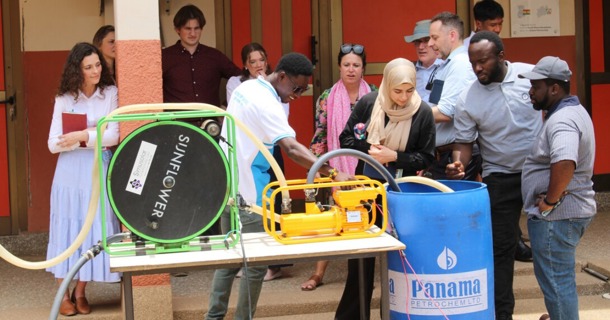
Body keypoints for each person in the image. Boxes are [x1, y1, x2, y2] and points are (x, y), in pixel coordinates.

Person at [206, 52, 353, 320]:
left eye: (304, 89)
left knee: (228, 260)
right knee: (255, 266)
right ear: (282, 76)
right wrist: (331, 172)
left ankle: (213, 317)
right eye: (296, 88)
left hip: (227, 184)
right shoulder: (267, 103)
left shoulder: (247, 86)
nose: (297, 94)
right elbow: (293, 149)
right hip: (250, 192)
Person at [445, 31, 543, 320]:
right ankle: (503, 315)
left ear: (501, 56)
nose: (477, 69)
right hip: (500, 176)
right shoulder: (467, 97)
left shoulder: (531, 76)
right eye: (473, 62)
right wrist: (458, 164)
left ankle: (557, 310)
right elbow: (463, 141)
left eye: (483, 61)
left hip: (539, 172)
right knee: (501, 249)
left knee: (549, 246)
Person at [336, 58, 436, 320]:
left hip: (403, 195)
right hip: (366, 190)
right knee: (361, 261)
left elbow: (426, 157)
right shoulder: (370, 103)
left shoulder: (422, 112)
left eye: (409, 91)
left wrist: (394, 156)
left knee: (404, 258)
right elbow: (346, 138)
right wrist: (371, 151)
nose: (403, 98)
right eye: (397, 91)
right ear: (387, 85)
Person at [45, 42, 120, 316]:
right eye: (88, 67)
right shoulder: (64, 98)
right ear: (77, 70)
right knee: (67, 229)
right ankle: (63, 294)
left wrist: (80, 135)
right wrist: (89, 138)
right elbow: (53, 144)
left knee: (93, 229)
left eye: (98, 65)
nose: (95, 71)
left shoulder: (110, 93)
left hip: (97, 169)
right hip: (69, 172)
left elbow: (114, 135)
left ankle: (80, 292)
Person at [519, 56, 596, 320]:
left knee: (556, 283)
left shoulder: (562, 120)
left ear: (554, 88)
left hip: (558, 217)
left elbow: (565, 161)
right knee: (558, 279)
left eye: (536, 86)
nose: (531, 91)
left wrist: (550, 202)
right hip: (565, 214)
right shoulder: (571, 112)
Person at [302, 43, 376, 291]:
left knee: (372, 217)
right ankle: (318, 273)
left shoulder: (374, 94)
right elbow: (321, 134)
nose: (351, 70)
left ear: (363, 68)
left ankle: (367, 276)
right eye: (347, 65)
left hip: (369, 165)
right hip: (337, 167)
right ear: (339, 67)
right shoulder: (327, 98)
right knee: (332, 217)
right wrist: (318, 164)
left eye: (356, 65)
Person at [226, 42, 288, 282]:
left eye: (261, 60)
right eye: (253, 61)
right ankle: (247, 261)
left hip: (273, 146)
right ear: (245, 65)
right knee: (248, 206)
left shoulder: (279, 88)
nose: (258, 65)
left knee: (273, 201)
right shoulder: (238, 85)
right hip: (246, 151)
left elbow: (281, 122)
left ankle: (272, 263)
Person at [427, 11, 481, 180]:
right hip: (441, 155)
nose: (430, 43)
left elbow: (445, 112)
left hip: (456, 157)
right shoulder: (448, 64)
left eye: (434, 38)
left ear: (452, 35)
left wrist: (409, 115)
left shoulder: (460, 64)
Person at [162, 4, 240, 107]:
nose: (193, 33)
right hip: (176, 122)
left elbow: (241, 78)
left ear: (201, 29)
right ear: (177, 30)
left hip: (210, 121)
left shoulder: (215, 56)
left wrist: (227, 105)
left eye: (197, 28)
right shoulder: (165, 57)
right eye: (188, 28)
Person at [404, 19, 443, 103]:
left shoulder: (446, 67)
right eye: (417, 42)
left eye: (426, 40)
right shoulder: (409, 70)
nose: (421, 47)